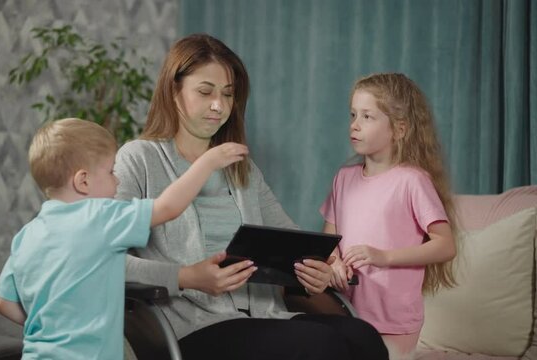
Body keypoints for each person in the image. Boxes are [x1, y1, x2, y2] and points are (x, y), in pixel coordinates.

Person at [114, 33, 388, 360]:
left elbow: (294, 242)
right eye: (205, 92)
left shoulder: (241, 168)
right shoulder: (139, 159)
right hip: (191, 327)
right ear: (174, 91)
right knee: (319, 344)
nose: (219, 105)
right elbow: (107, 262)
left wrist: (315, 271)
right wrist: (186, 277)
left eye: (228, 94)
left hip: (263, 318)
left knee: (363, 337)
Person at [0, 118, 248, 359]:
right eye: (112, 171)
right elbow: (168, 207)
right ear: (83, 181)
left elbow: (2, 302)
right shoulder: (99, 217)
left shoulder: (27, 235)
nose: (117, 182)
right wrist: (206, 163)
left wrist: (51, 328)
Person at [320, 73, 458, 360]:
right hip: (347, 309)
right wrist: (333, 263)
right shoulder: (343, 178)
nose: (354, 125)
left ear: (399, 129)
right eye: (353, 115)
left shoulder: (412, 181)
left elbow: (445, 245)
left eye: (368, 117)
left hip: (394, 318)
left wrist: (383, 257)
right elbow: (329, 238)